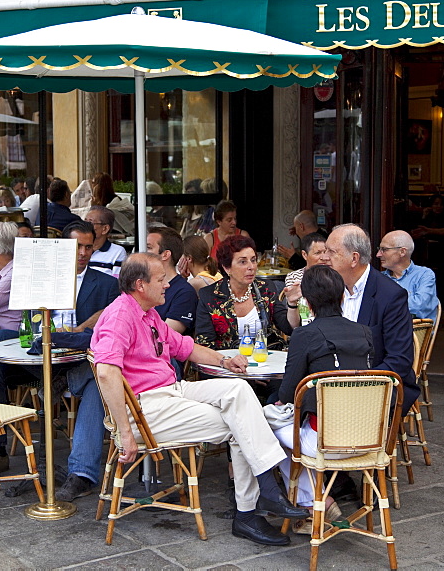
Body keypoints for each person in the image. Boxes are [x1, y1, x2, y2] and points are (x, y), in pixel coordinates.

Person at [92, 253, 308, 546]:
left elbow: (185, 346)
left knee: (239, 391)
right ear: (140, 285)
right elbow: (106, 373)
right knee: (242, 423)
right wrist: (126, 433)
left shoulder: (146, 312)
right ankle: (251, 509)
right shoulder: (120, 315)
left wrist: (224, 360)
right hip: (145, 408)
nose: (168, 285)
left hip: (169, 391)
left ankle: (266, 493)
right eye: (161, 280)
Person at [0, 221, 118, 477]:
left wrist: (76, 331)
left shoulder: (106, 284)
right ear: (64, 247)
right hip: (40, 354)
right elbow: (29, 317)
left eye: (89, 247)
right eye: (78, 247)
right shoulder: (42, 275)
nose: (83, 253)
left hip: (78, 360)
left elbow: (109, 322)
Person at [274, 265, 372, 523]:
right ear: (342, 297)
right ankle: (316, 501)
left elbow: (286, 393)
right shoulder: (364, 332)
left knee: (265, 424)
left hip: (325, 442)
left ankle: (313, 502)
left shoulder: (304, 335)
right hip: (369, 438)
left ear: (307, 301)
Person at [285, 224, 419, 412]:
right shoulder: (330, 287)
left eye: (331, 252)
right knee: (280, 399)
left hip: (377, 387)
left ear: (354, 258)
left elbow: (399, 360)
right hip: (329, 385)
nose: (324, 258)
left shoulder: (390, 296)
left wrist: (355, 388)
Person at [194, 235, 293, 351]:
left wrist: (292, 304)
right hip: (226, 364)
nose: (251, 267)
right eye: (243, 262)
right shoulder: (209, 296)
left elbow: (288, 327)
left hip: (263, 360)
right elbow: (204, 344)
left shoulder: (265, 288)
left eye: (253, 260)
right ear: (227, 268)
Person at [377, 230, 439, 320]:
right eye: (379, 249)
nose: (378, 254)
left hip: (414, 332)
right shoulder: (379, 278)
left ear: (402, 252)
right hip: (384, 331)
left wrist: (385, 304)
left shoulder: (424, 275)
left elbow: (419, 306)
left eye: (384, 249)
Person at [147, 226, 197, 334]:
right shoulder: (141, 286)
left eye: (149, 247)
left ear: (165, 255)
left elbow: (165, 334)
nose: (142, 252)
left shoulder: (184, 293)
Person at [84, 205, 127, 277]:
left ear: (105, 229)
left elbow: (117, 283)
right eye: (85, 221)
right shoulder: (78, 249)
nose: (85, 226)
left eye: (90, 223)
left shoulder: (117, 252)